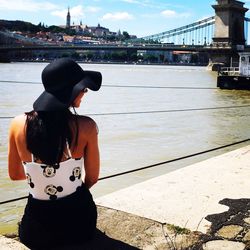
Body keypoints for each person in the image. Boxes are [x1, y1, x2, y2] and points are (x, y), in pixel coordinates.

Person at [8, 58, 102, 249]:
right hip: (79, 225)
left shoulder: (17, 124)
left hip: (36, 230)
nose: (85, 93)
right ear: (72, 91)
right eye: (84, 89)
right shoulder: (86, 126)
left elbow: (15, 175)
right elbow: (92, 177)